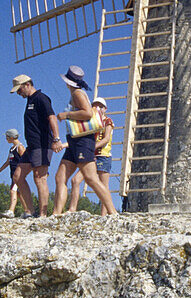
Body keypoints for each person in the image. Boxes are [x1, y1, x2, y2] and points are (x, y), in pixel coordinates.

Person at [52, 67, 117, 216]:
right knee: (60, 177)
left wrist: (66, 115)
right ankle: (56, 213)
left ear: (68, 82)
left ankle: (113, 213)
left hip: (83, 142)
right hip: (74, 141)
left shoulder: (77, 94)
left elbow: (87, 113)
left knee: (91, 178)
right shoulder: (76, 94)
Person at [11, 74, 60, 217]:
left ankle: (43, 215)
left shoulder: (41, 98)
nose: (19, 94)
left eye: (19, 90)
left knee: (39, 177)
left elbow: (52, 117)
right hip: (31, 146)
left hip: (42, 144)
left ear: (27, 85)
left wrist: (56, 139)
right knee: (18, 176)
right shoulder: (30, 101)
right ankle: (30, 211)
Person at [68, 97, 115, 211]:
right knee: (75, 180)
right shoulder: (91, 122)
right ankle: (72, 209)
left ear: (105, 109)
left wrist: (90, 147)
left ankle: (106, 214)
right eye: (95, 106)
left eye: (101, 107)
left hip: (103, 156)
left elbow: (106, 138)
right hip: (91, 156)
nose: (98, 108)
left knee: (104, 186)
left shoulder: (107, 121)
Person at [0, 129, 34, 218]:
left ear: (11, 137)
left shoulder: (20, 147)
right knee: (19, 193)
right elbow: (8, 162)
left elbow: (26, 160)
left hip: (18, 174)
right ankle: (28, 211)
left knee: (13, 190)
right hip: (12, 174)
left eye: (7, 137)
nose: (6, 139)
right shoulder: (12, 149)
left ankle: (11, 211)